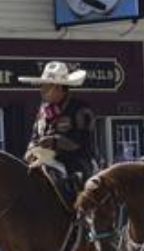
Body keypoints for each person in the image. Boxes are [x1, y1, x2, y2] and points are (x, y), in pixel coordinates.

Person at [17, 61, 97, 202]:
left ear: (58, 87)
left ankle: (78, 217)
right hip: (43, 160)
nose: (41, 89)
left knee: (64, 182)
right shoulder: (42, 111)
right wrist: (31, 150)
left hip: (75, 164)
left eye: (46, 85)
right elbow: (34, 137)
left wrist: (54, 142)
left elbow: (81, 142)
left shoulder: (80, 110)